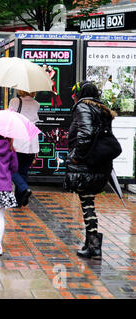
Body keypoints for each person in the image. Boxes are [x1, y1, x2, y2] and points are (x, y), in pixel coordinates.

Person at [65, 81, 117, 259]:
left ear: (80, 95)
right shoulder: (101, 109)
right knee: (89, 202)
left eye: (75, 94)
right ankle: (91, 243)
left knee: (87, 203)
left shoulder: (83, 108)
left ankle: (94, 246)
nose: (74, 97)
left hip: (86, 164)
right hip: (100, 163)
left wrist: (76, 156)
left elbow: (85, 133)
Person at [8, 90, 40, 207]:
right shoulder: (37, 104)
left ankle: (24, 188)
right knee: (23, 171)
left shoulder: (15, 101)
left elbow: (9, 118)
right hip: (32, 141)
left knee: (11, 168)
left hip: (19, 139)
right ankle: (19, 201)